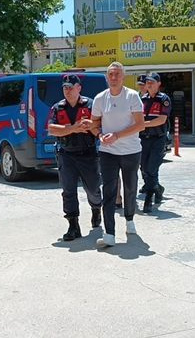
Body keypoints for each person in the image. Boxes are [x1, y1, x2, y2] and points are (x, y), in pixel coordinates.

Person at [91, 62, 145, 247]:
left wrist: (117, 136)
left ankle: (129, 219)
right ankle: (110, 234)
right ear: (107, 77)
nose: (113, 78)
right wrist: (99, 135)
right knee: (109, 190)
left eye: (117, 74)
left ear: (123, 77)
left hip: (131, 150)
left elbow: (140, 125)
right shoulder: (100, 98)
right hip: (108, 152)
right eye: (111, 74)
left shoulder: (132, 96)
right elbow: (94, 124)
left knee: (130, 188)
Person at [48, 74, 102, 241]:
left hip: (88, 153)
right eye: (65, 87)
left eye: (71, 87)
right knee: (68, 191)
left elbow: (99, 124)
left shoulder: (91, 104)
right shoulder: (58, 107)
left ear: (79, 88)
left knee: (93, 188)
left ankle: (96, 209)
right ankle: (73, 225)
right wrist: (73, 128)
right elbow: (51, 128)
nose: (67, 90)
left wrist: (91, 126)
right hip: (66, 154)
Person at [139, 72, 171, 213]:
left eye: (152, 82)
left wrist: (143, 124)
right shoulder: (143, 99)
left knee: (152, 167)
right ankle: (158, 189)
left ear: (158, 84)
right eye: (147, 82)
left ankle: (149, 199)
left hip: (158, 139)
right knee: (144, 168)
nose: (149, 84)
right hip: (143, 138)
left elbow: (161, 120)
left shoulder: (163, 99)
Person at [116, 74, 147, 209]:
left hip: (142, 137)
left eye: (143, 84)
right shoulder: (136, 97)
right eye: (139, 84)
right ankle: (118, 198)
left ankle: (151, 189)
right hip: (129, 137)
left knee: (146, 169)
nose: (141, 87)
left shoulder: (134, 97)